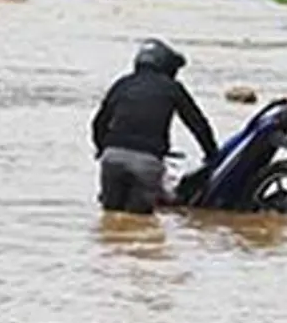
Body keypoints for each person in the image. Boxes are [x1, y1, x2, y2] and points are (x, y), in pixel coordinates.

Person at [93, 39, 220, 214]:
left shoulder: (122, 84)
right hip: (147, 162)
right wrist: (212, 155)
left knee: (110, 216)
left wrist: (101, 149)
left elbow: (99, 122)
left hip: (112, 158)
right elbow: (197, 124)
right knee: (139, 223)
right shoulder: (172, 88)